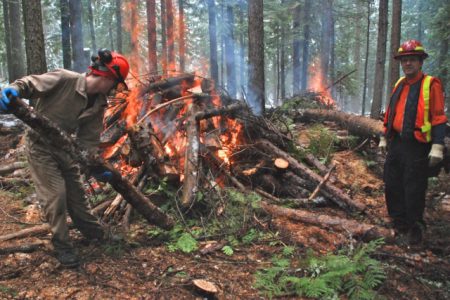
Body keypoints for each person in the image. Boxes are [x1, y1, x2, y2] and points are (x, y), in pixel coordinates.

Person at [0, 49, 130, 267]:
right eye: (115, 84)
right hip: (40, 147)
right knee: (56, 196)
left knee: (78, 197)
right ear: (106, 77)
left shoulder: (98, 104)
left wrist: (94, 165)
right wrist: (12, 89)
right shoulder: (65, 79)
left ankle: (96, 234)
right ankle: (62, 246)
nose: (114, 90)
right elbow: (30, 83)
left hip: (65, 148)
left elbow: (88, 140)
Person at [379, 40, 447, 245]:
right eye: (404, 60)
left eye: (412, 60)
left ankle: (415, 229)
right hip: (398, 142)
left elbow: (438, 117)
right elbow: (391, 112)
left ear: (420, 62)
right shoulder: (400, 84)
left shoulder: (430, 84)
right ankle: (399, 223)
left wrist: (437, 145)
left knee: (414, 187)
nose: (408, 63)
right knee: (392, 182)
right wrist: (384, 136)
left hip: (418, 145)